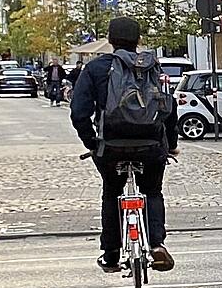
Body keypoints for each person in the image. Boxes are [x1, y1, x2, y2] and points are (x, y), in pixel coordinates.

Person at [68, 17, 175, 274]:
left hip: (111, 146)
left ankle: (111, 254)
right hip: (150, 144)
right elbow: (168, 107)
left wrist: (92, 143)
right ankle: (157, 243)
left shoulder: (95, 69)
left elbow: (78, 112)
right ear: (139, 40)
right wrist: (169, 144)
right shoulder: (151, 67)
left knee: (112, 193)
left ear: (110, 40)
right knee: (152, 191)